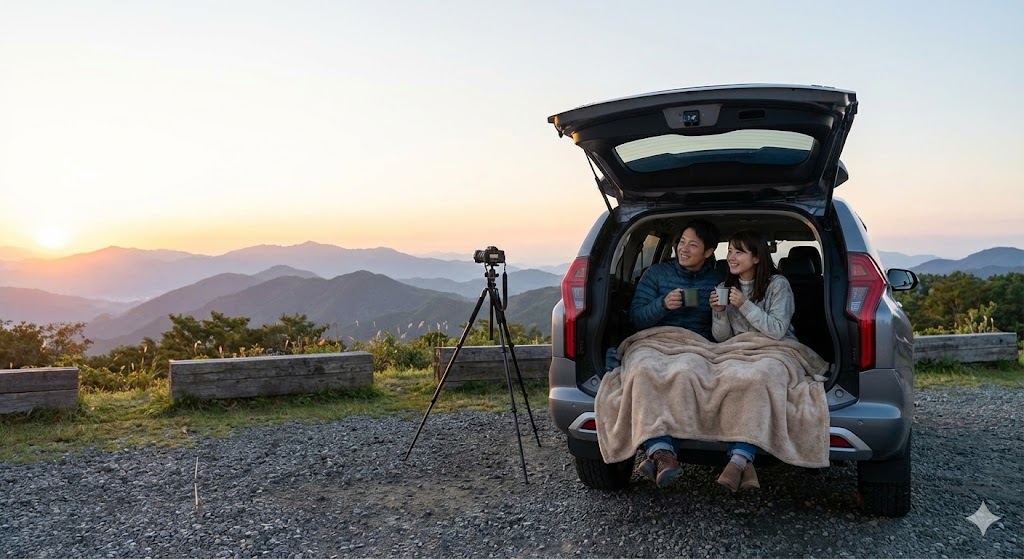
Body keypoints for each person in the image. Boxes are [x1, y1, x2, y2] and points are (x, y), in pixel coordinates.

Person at [627, 218, 724, 487]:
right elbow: (636, 318)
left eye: (693, 244)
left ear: (708, 252)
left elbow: (725, 328)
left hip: (695, 344)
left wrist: (720, 310)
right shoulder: (656, 274)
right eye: (681, 241)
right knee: (642, 370)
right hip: (653, 340)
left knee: (685, 372)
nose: (684, 248)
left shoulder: (718, 280)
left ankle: (660, 452)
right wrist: (662, 305)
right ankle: (663, 452)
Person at [709, 229, 797, 492]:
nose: (731, 257)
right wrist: (719, 313)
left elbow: (778, 329)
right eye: (729, 251)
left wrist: (745, 304)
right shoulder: (726, 287)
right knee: (726, 378)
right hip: (738, 350)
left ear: (757, 257)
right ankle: (743, 463)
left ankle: (738, 459)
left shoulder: (778, 285)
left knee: (758, 378)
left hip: (776, 349)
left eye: (739, 252)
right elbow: (721, 338)